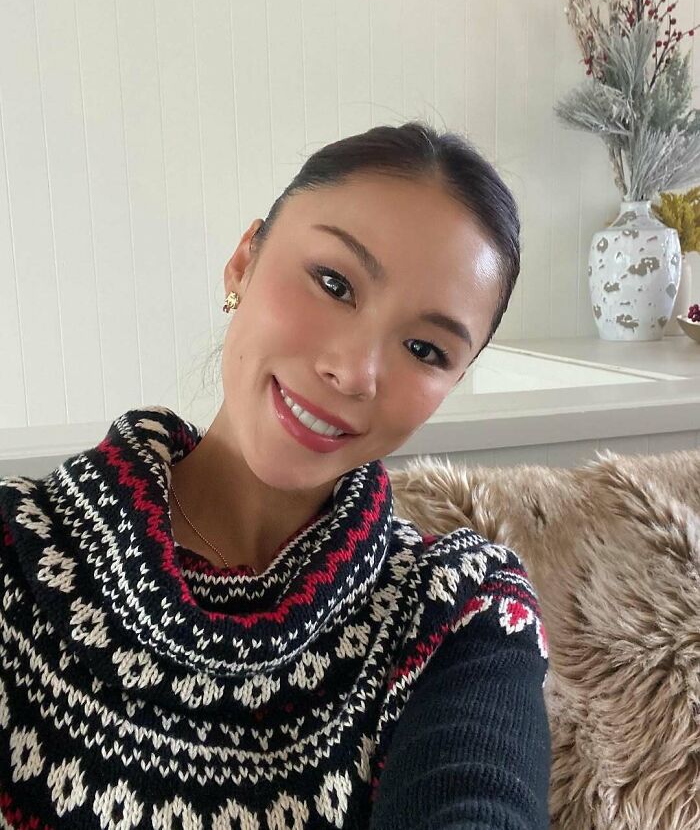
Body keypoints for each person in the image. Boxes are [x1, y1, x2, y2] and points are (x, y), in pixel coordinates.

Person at [0, 122, 551, 829]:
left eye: (424, 347)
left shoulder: (461, 611)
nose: (353, 371)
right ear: (243, 261)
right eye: (334, 282)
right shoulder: (18, 555)